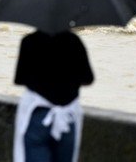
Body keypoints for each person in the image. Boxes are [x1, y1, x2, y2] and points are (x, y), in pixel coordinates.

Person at [13, 30, 94, 162]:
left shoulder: (29, 41)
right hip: (67, 119)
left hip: (37, 116)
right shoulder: (74, 41)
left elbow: (19, 79)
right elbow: (88, 79)